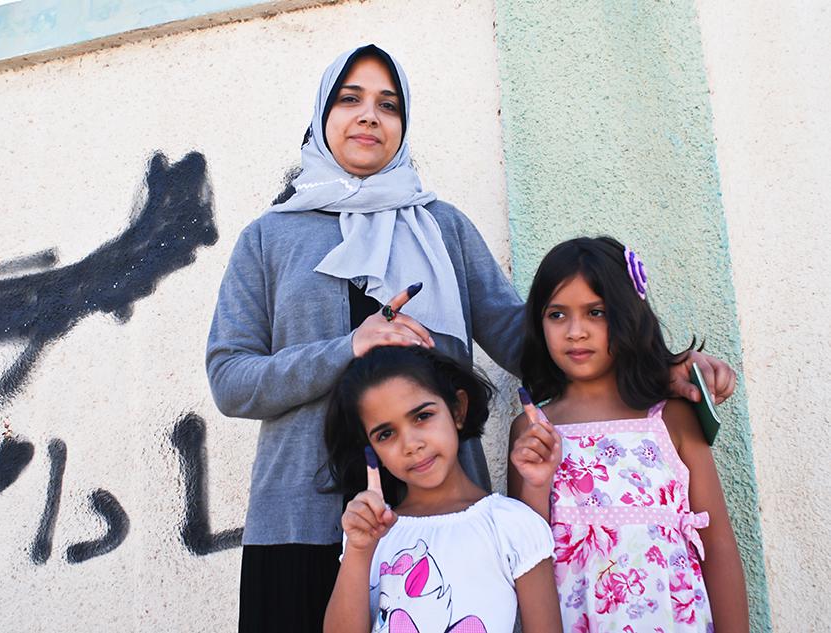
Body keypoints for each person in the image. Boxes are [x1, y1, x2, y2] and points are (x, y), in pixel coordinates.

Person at [205, 43, 737, 631]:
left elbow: (527, 340)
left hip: (446, 521)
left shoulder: (444, 226)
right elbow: (231, 380)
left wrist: (654, 369)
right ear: (320, 116)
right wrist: (350, 347)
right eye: (349, 99)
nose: (368, 116)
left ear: (403, 126)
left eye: (389, 104)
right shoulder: (268, 237)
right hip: (300, 519)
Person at [508, 237, 749, 632]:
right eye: (557, 315)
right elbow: (528, 557)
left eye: (596, 312)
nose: (575, 331)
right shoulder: (533, 430)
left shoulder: (671, 419)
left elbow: (718, 544)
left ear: (627, 314)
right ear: (538, 323)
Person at [323, 345, 561, 633]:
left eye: (422, 416)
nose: (411, 444)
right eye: (386, 434)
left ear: (458, 410)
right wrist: (359, 551)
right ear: (371, 451)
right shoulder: (370, 535)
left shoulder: (511, 524)